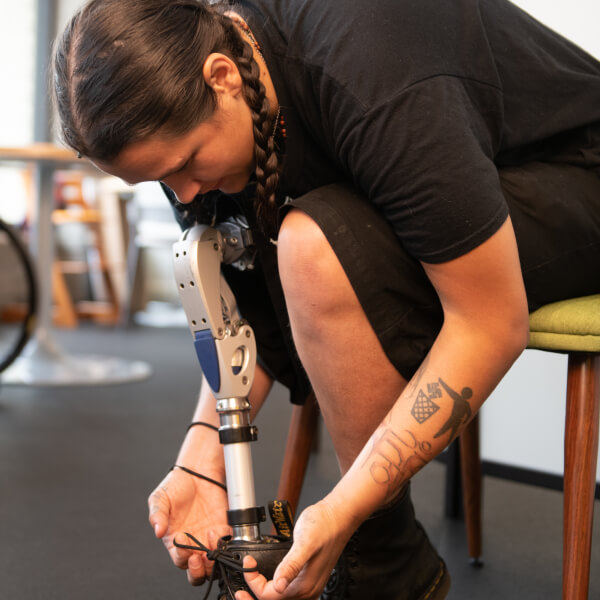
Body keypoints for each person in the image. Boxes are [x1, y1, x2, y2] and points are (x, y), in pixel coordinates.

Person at [52, 0, 600, 598]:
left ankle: (382, 563)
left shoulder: (369, 64)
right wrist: (199, 456)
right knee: (308, 242)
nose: (183, 193)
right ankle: (392, 565)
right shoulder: (196, 120)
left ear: (222, 77)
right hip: (484, 179)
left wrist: (343, 513)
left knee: (312, 244)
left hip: (578, 169)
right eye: (161, 179)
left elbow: (489, 323)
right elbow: (250, 319)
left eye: (185, 164)